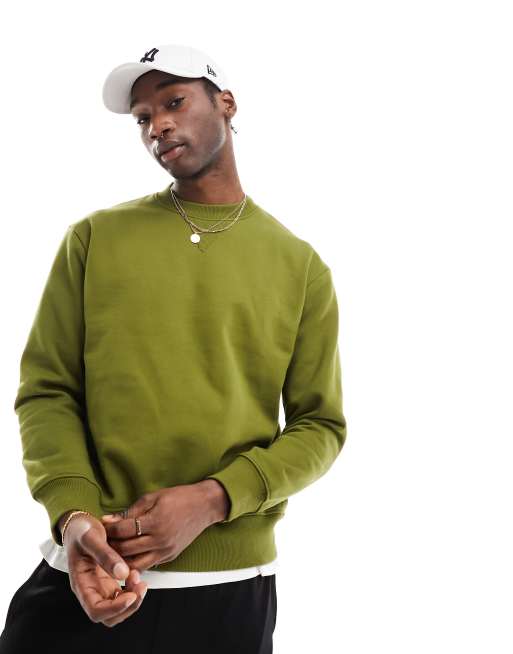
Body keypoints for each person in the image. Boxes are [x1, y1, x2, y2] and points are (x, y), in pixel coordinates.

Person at [0, 43, 347, 653]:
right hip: (82, 576)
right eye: (143, 117)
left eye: (174, 102)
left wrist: (214, 500)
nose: (157, 125)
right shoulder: (95, 239)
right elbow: (47, 392)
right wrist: (74, 514)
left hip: (227, 595)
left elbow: (320, 427)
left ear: (226, 103)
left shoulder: (300, 266)